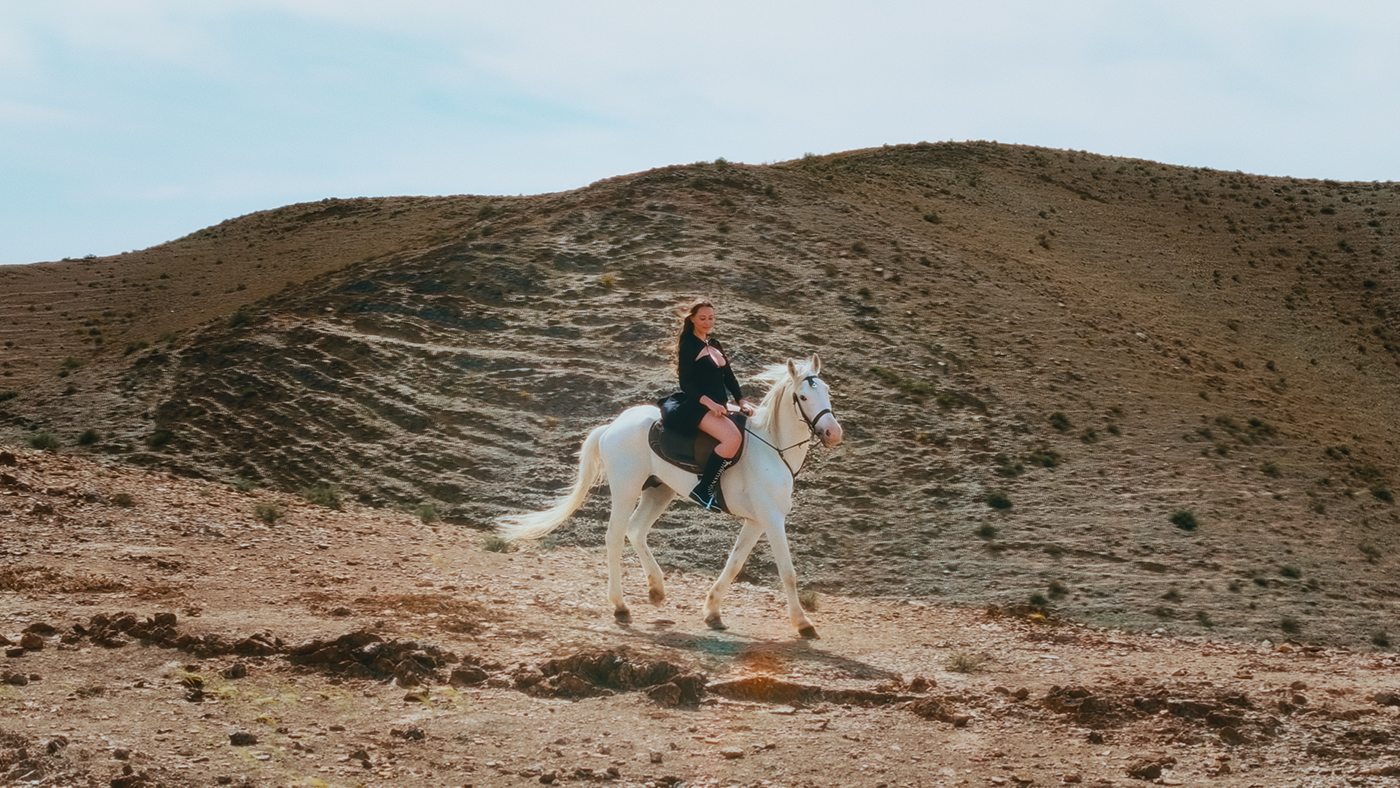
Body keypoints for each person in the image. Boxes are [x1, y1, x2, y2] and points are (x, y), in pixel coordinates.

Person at [661, 298, 754, 510]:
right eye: (702, 318)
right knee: (732, 439)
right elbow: (686, 383)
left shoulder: (714, 344)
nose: (707, 322)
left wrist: (741, 400)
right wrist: (710, 404)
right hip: (698, 406)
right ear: (692, 319)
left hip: (720, 404)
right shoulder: (689, 346)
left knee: (754, 420)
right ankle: (704, 489)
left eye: (711, 318)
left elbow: (728, 377)